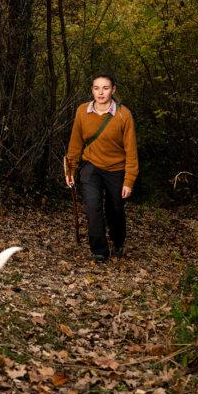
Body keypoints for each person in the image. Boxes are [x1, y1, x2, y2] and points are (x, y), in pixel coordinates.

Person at [64, 74, 139, 263]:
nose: (101, 92)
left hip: (116, 169)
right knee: (92, 207)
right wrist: (70, 170)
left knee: (115, 209)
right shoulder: (82, 111)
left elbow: (131, 151)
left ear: (113, 90)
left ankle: (118, 241)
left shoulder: (123, 115)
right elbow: (75, 143)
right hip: (91, 167)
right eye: (96, 88)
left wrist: (129, 180)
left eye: (105, 88)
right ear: (92, 90)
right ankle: (99, 250)